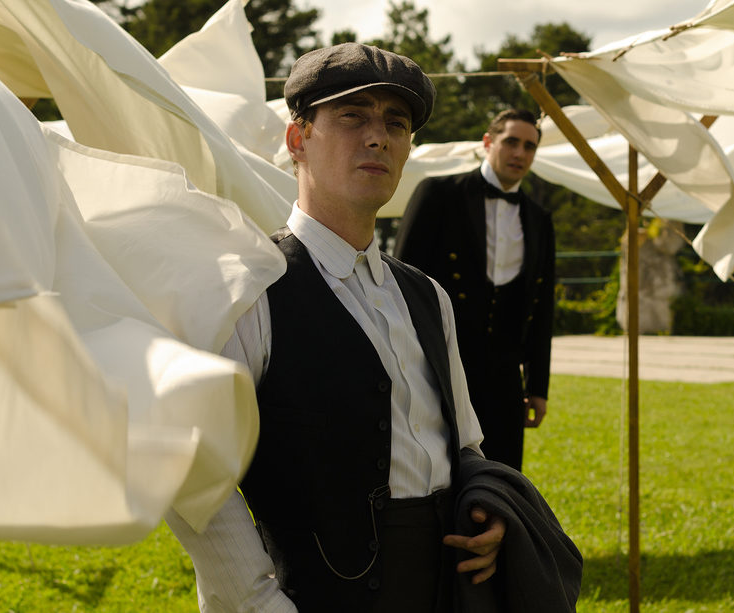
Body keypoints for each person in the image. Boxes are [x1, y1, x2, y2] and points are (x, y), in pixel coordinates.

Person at [164, 43, 508, 613]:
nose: (378, 137)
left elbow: (465, 443)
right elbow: (196, 468)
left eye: (395, 124)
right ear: (298, 140)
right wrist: (259, 603)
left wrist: (488, 506)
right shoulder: (247, 288)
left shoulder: (428, 296)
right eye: (353, 117)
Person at [394, 109, 555, 471]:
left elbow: (542, 306)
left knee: (502, 477)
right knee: (439, 471)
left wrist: (538, 385)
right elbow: (402, 283)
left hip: (504, 376)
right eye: (511, 142)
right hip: (440, 365)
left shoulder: (538, 218)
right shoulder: (437, 194)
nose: (520, 153)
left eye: (529, 146)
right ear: (487, 143)